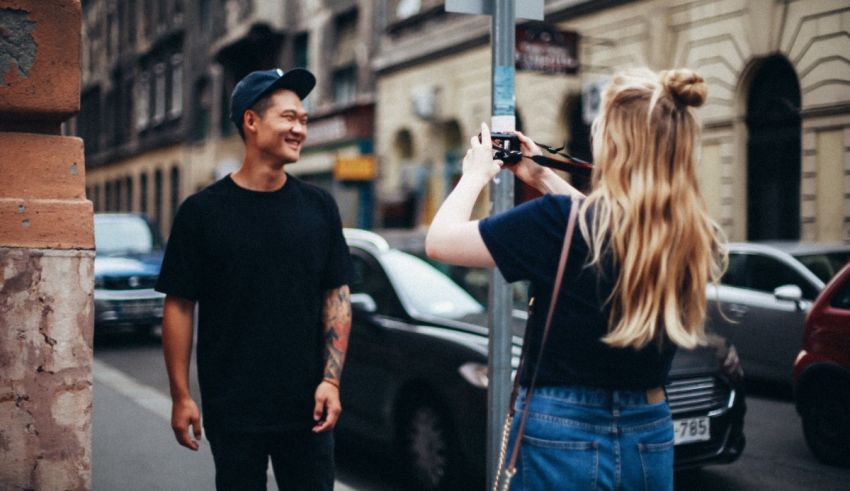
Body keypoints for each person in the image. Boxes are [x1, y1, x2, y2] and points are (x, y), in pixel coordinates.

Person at [425, 68, 726, 490]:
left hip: (561, 428)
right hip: (650, 426)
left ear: (617, 143)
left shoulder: (557, 222)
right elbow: (607, 231)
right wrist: (543, 177)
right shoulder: (692, 234)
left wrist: (476, 173)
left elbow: (439, 241)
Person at [155, 67, 353, 490]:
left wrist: (331, 381)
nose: (300, 128)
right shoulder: (202, 212)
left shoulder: (319, 207)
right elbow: (179, 305)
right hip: (234, 408)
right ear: (251, 121)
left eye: (303, 119)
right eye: (288, 118)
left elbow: (336, 295)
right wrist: (181, 395)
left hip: (308, 410)